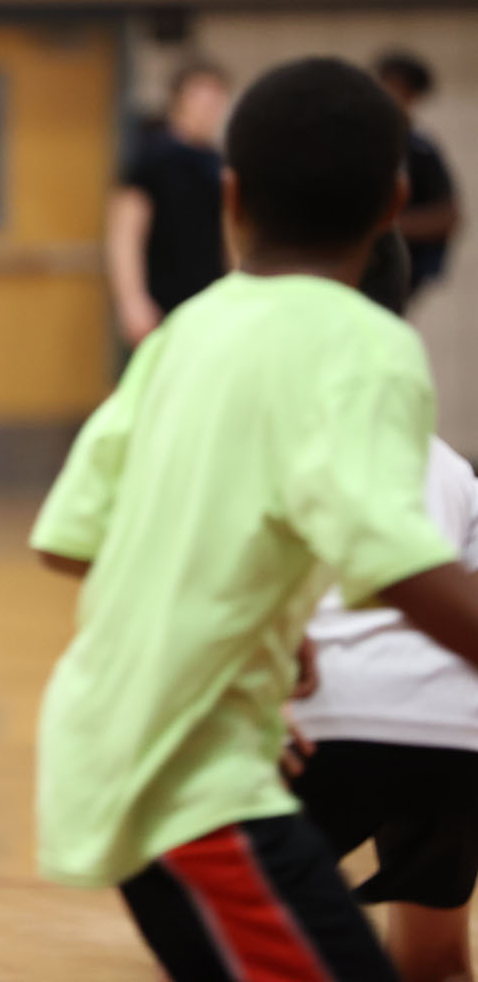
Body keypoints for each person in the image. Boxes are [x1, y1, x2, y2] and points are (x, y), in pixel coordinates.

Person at [31, 57, 478, 979]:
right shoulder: (370, 344)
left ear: (230, 196)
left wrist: (262, 626)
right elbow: (394, 563)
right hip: (193, 784)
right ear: (395, 202)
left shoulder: (181, 335)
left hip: (117, 751)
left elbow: (71, 539)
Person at [281, 229, 478, 982]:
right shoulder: (453, 467)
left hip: (323, 722)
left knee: (211, 931)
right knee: (438, 962)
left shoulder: (277, 436)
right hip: (456, 732)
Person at [106, 58, 231, 346]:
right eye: (202, 98)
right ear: (180, 99)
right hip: (162, 295)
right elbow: (125, 235)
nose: (210, 108)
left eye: (216, 100)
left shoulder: (216, 162)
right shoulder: (152, 158)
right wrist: (132, 301)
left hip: (208, 293)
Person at [376, 50, 461, 299]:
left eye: (402, 90)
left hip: (397, 269)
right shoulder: (354, 140)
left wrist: (381, 226)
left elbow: (446, 217)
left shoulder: (419, 150)